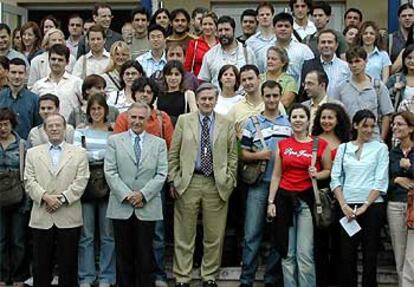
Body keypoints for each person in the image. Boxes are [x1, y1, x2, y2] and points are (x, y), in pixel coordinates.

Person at [169, 83, 238, 287]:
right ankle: (182, 277)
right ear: (197, 100)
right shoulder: (184, 120)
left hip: (216, 184)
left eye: (210, 98)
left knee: (214, 234)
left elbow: (233, 154)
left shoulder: (226, 122)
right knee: (184, 233)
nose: (207, 102)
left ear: (216, 100)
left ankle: (209, 276)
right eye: (203, 98)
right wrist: (173, 179)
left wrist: (230, 178)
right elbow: (174, 152)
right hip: (189, 182)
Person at [267, 103, 331, 287]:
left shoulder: (320, 144)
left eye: (301, 117)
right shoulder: (283, 145)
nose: (297, 120)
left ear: (308, 121)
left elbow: (328, 170)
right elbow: (277, 175)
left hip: (306, 201)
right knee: (287, 253)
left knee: (305, 254)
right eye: (294, 117)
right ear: (289, 120)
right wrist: (271, 202)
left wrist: (316, 174)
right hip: (284, 200)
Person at [104, 101, 168, 287]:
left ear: (148, 119)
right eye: (134, 117)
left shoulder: (159, 144)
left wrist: (142, 195)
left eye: (142, 117)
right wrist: (128, 195)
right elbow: (110, 171)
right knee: (123, 255)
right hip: (121, 205)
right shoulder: (114, 141)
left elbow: (162, 173)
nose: (137, 121)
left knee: (145, 254)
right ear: (127, 118)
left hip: (147, 206)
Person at [24, 113, 90, 287]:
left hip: (68, 215)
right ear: (45, 130)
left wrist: (61, 199)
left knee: (68, 265)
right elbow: (28, 180)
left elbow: (81, 180)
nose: (54, 128)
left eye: (58, 125)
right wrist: (45, 197)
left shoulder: (79, 153)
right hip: (42, 216)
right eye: (50, 126)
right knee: (41, 265)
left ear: (65, 128)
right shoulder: (32, 153)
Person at [239, 80, 291, 287]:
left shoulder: (289, 123)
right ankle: (246, 279)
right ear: (263, 97)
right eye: (267, 96)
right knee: (251, 234)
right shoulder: (252, 122)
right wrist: (258, 154)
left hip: (283, 187)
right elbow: (242, 152)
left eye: (275, 96)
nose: (271, 100)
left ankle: (271, 278)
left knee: (279, 236)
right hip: (259, 184)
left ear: (280, 97)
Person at [330, 109, 388, 287]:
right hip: (347, 206)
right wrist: (343, 204)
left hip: (372, 206)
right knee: (347, 254)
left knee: (370, 253)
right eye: (365, 126)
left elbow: (380, 180)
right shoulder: (344, 148)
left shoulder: (380, 148)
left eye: (372, 126)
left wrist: (365, 206)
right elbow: (335, 178)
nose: (369, 130)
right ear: (355, 126)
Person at [73, 93, 115, 287]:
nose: (96, 112)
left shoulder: (113, 132)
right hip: (86, 186)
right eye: (93, 109)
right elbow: (78, 156)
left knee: (108, 235)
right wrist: (102, 154)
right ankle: (86, 277)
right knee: (86, 235)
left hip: (108, 185)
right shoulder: (79, 132)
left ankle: (107, 276)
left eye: (99, 108)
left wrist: (92, 154)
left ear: (105, 110)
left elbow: (114, 155)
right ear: (88, 112)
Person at [311, 102, 351, 286]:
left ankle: (337, 278)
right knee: (319, 239)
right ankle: (321, 279)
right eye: (323, 117)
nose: (326, 121)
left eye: (330, 118)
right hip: (319, 192)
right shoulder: (313, 140)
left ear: (338, 120)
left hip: (342, 193)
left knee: (338, 240)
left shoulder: (347, 142)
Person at [331, 46, 394, 141]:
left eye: (357, 61)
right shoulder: (341, 87)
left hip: (373, 138)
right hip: (349, 138)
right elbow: (335, 112)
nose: (354, 65)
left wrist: (382, 139)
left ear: (366, 61)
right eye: (350, 62)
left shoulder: (377, 86)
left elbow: (387, 113)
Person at [0, 108, 29, 287]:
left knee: (19, 239)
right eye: (0, 125)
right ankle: (2, 276)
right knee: (0, 239)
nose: (2, 128)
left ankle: (19, 276)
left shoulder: (22, 145)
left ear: (12, 125)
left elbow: (26, 172)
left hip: (18, 196)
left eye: (6, 124)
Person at [388, 111, 414, 287]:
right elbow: (382, 181)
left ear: (411, 128)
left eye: (400, 124)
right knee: (399, 255)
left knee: (411, 258)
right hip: (395, 205)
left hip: (413, 206)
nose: (395, 127)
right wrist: (397, 179)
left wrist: (409, 167)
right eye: (394, 124)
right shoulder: (392, 153)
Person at [114, 77, 174, 149]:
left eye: (149, 92)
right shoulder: (123, 117)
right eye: (141, 91)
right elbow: (117, 145)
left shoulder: (162, 117)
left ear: (153, 96)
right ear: (134, 94)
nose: (145, 94)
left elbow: (171, 146)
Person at [228, 64, 285, 138]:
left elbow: (285, 127)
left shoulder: (275, 104)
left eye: (250, 78)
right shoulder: (235, 109)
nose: (248, 83)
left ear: (259, 78)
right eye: (244, 80)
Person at [198, 15, 256, 88]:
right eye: (220, 30)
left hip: (243, 97)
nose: (223, 33)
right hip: (218, 97)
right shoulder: (210, 54)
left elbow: (255, 77)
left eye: (227, 29)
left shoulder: (247, 52)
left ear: (233, 30)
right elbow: (204, 81)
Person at [31, 44, 82, 121]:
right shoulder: (38, 85)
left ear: (67, 62)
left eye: (60, 60)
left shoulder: (77, 82)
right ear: (48, 60)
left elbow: (85, 105)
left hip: (71, 129)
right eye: (53, 59)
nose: (56, 62)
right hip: (46, 128)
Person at [0, 58, 41, 139]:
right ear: (7, 73)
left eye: (20, 73)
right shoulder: (1, 97)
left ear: (26, 75)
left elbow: (38, 127)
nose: (17, 76)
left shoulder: (35, 99)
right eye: (13, 72)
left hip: (27, 147)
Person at [272, 12, 314, 83]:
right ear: (273, 29)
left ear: (292, 29)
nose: (283, 29)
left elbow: (312, 73)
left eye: (286, 26)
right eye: (279, 26)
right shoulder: (265, 50)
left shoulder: (304, 50)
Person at [156, 60, 197, 125]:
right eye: (170, 74)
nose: (173, 77)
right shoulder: (158, 95)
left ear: (182, 76)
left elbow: (195, 117)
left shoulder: (188, 94)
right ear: (165, 76)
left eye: (176, 74)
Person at [184, 11, 218, 76]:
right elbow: (187, 67)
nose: (207, 27)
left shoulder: (220, 43)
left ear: (215, 26)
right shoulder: (194, 44)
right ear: (201, 26)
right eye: (205, 24)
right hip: (198, 83)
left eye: (210, 24)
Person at [246, 2, 276, 73]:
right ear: (257, 18)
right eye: (262, 15)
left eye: (267, 14)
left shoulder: (280, 38)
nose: (265, 17)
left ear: (272, 16)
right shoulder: (250, 42)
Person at [387, 44, 414, 110]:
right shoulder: (396, 78)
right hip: (400, 117)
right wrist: (394, 89)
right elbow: (384, 98)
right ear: (404, 59)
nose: (412, 61)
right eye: (409, 58)